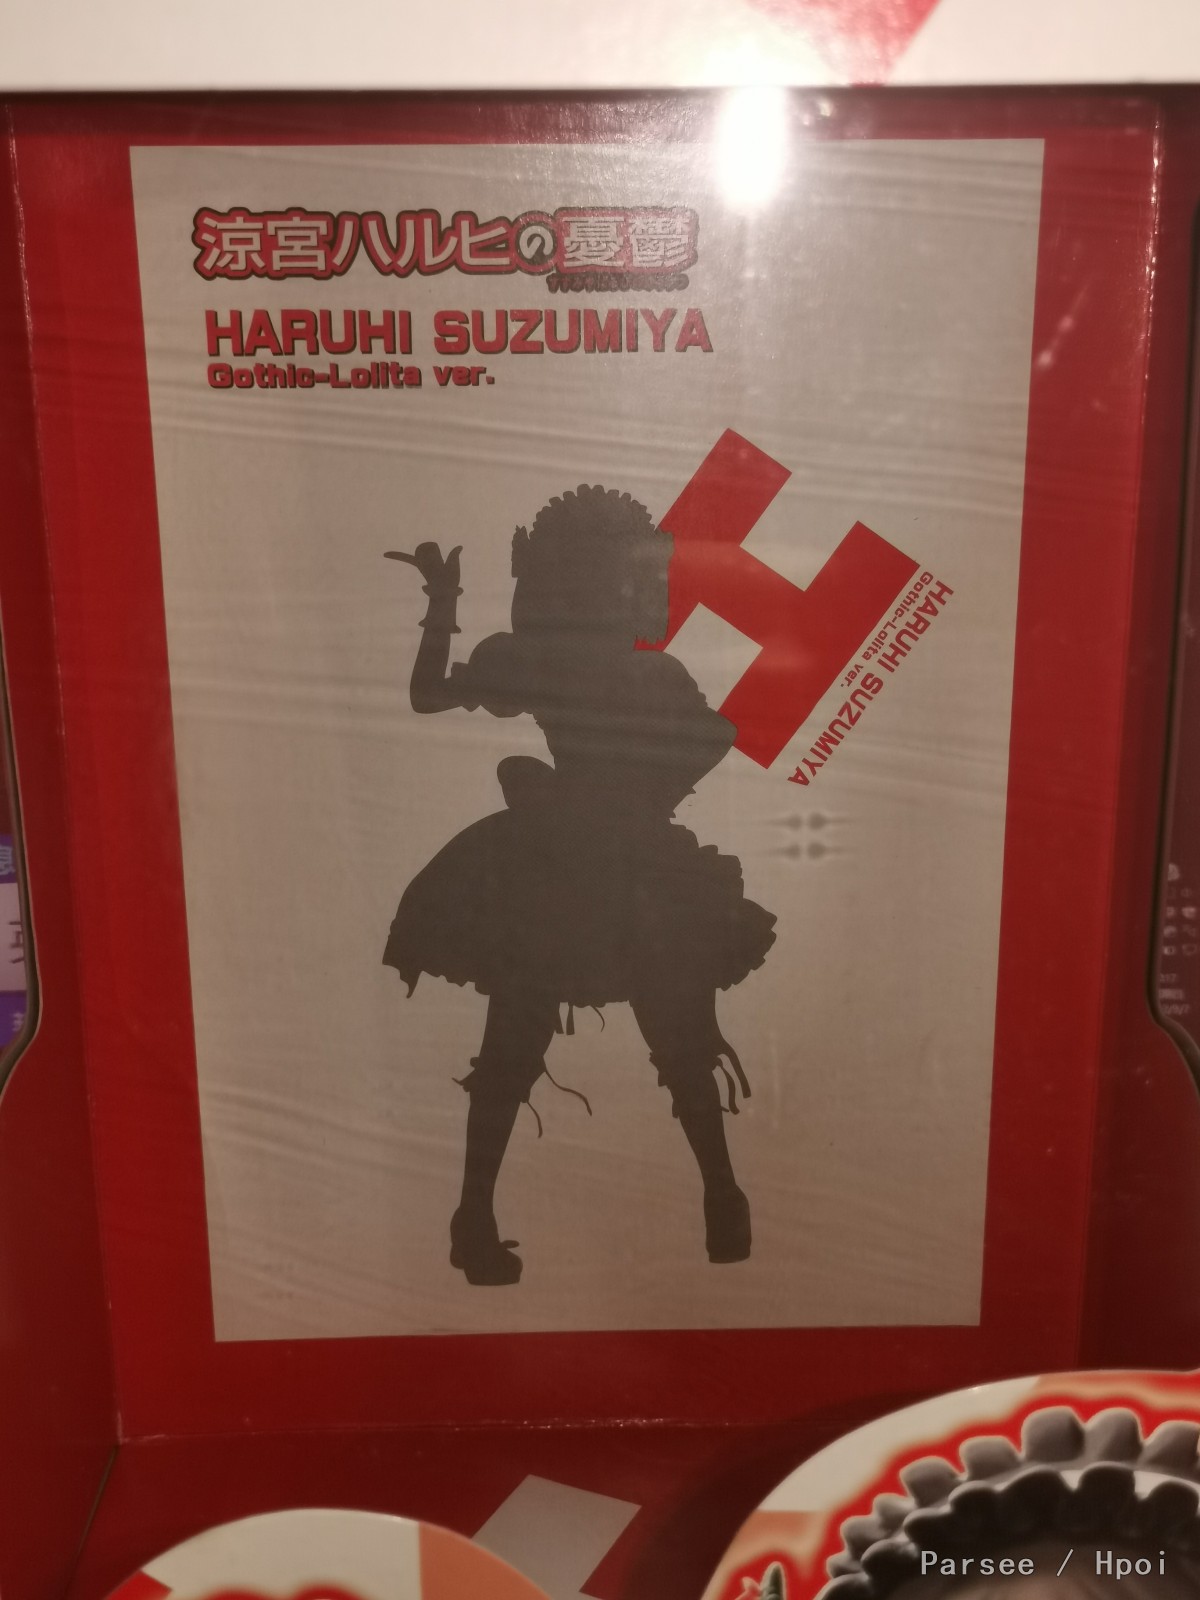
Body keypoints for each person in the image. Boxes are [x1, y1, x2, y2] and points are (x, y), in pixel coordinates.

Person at [385, 484, 776, 1285]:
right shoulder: (645, 672)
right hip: (617, 863)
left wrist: (445, 603)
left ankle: (478, 1215)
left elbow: (431, 694)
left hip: (558, 860)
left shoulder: (557, 662)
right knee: (667, 1036)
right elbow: (711, 741)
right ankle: (720, 1195)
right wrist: (649, 791)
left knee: (533, 1040)